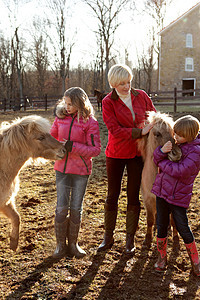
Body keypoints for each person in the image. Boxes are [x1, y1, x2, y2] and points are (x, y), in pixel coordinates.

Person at [97, 64, 156, 254]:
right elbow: (114, 130)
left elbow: (153, 116)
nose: (126, 86)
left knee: (133, 195)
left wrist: (149, 125)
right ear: (113, 84)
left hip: (137, 153)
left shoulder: (142, 96)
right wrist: (140, 131)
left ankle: (130, 239)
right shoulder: (108, 102)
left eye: (129, 82)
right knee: (112, 194)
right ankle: (108, 237)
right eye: (122, 83)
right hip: (115, 153)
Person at [50, 87, 101, 258]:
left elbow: (95, 150)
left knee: (75, 208)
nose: (67, 107)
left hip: (81, 171)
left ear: (80, 103)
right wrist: (57, 147)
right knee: (61, 208)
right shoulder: (60, 119)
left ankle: (73, 244)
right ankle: (59, 245)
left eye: (70, 104)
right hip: (62, 169)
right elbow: (52, 139)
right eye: (65, 103)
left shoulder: (90, 122)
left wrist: (72, 146)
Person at [152, 115, 200, 276]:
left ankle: (196, 261)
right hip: (162, 193)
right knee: (161, 226)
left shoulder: (195, 152)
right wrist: (160, 151)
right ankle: (162, 257)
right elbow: (155, 157)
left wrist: (161, 162)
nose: (175, 138)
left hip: (178, 197)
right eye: (175, 134)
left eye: (179, 135)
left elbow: (180, 171)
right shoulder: (175, 144)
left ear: (190, 135)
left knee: (183, 227)